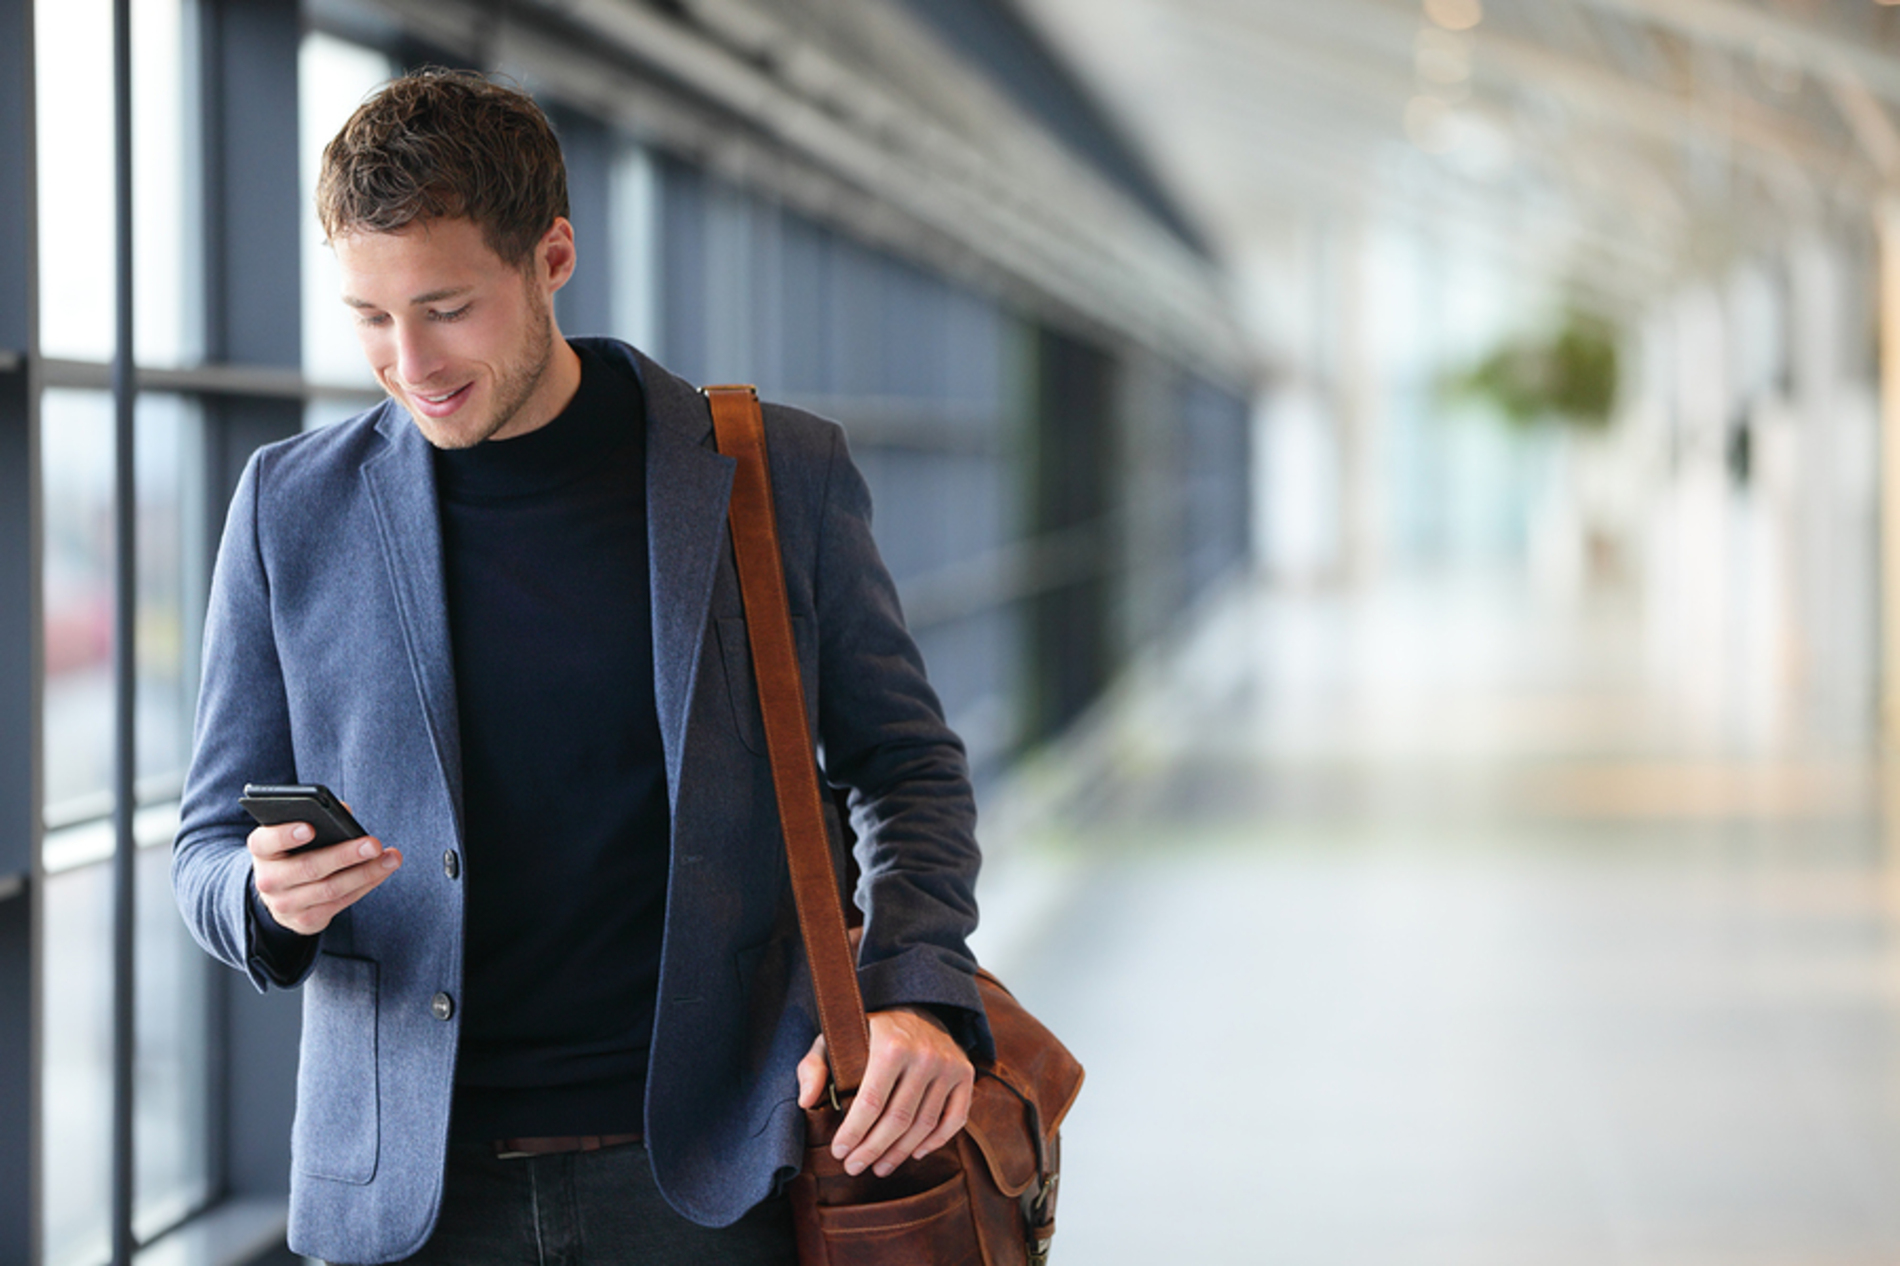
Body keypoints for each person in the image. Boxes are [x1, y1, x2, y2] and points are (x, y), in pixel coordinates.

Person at [171, 68, 989, 1266]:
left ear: (552, 256)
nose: (410, 361)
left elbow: (905, 765)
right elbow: (202, 851)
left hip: (714, 1177)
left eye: (447, 307)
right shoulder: (289, 509)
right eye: (369, 316)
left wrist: (915, 983)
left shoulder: (765, 475)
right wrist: (262, 899)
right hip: (413, 1197)